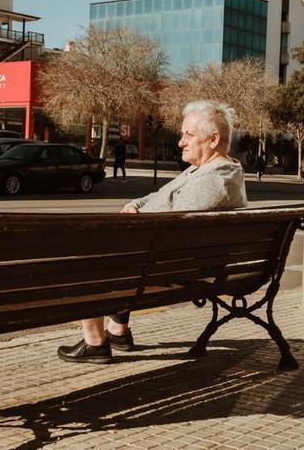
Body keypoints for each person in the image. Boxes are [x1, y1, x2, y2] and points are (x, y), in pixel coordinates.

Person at [57, 99, 248, 364]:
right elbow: (161, 196)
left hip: (172, 268)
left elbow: (169, 223)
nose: (181, 141)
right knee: (121, 253)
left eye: (189, 135)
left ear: (213, 139)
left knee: (90, 259)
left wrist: (134, 222)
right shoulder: (203, 171)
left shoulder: (214, 181)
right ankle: (117, 331)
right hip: (174, 262)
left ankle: (95, 343)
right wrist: (135, 206)